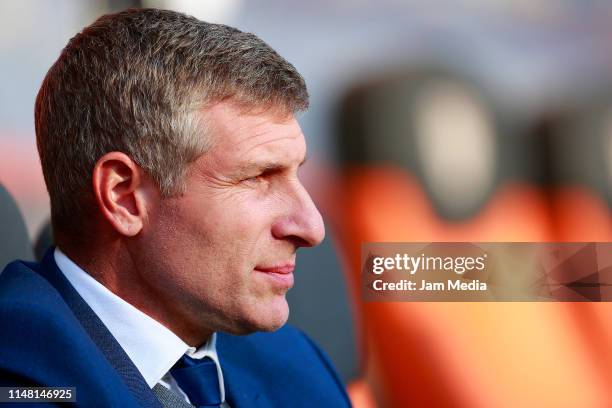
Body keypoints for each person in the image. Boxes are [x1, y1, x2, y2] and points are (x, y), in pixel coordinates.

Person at [0, 8, 350, 408]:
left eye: (295, 174)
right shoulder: (21, 388)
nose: (312, 227)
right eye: (257, 178)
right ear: (124, 197)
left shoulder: (294, 364)